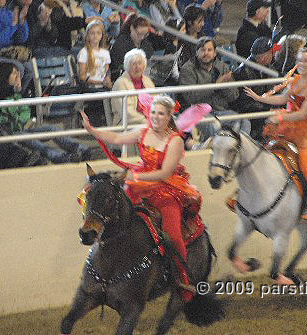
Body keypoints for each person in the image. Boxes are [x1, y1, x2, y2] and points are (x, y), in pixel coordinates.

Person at [80, 94, 200, 302]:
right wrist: (92, 130)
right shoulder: (143, 132)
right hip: (140, 182)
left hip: (166, 189)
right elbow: (117, 139)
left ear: (170, 115)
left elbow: (165, 173)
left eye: (161, 114)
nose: (155, 117)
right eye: (153, 112)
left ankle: (183, 277)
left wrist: (136, 176)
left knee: (172, 234)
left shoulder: (175, 141)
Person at [244, 48, 307, 226]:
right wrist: (259, 98)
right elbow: (284, 99)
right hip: (290, 125)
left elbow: (304, 114)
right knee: (265, 153)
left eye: (306, 61)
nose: (301, 64)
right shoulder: (296, 80)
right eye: (299, 60)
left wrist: (280, 117)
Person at [0, 61, 94, 163]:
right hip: (10, 133)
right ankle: (59, 157)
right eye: (14, 73)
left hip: (22, 129)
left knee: (52, 129)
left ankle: (82, 149)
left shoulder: (17, 92)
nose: (18, 76)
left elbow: (25, 114)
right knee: (30, 139)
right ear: (5, 76)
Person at [178, 36, 250, 140]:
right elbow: (189, 97)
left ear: (215, 53)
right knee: (213, 126)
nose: (206, 53)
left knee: (244, 122)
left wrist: (224, 86)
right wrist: (215, 86)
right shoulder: (188, 69)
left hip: (221, 111)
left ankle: (239, 151)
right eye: (202, 50)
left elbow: (234, 96)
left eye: (209, 50)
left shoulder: (222, 67)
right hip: (198, 113)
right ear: (197, 52)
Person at [0, 0, 34, 95]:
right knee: (18, 68)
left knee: (29, 68)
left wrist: (21, 22)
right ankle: (10, 97)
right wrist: (12, 25)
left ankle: (20, 96)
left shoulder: (9, 13)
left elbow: (21, 39)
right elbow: (0, 41)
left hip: (7, 54)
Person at [231, 36, 280, 138]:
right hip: (251, 113)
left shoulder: (269, 68)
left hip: (264, 107)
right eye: (271, 52)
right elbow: (245, 103)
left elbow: (274, 91)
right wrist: (268, 111)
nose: (274, 54)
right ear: (262, 57)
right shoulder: (244, 72)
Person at [110, 48, 155, 126]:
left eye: (140, 63)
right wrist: (147, 122)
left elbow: (156, 103)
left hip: (150, 121)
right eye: (133, 64)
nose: (137, 67)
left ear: (144, 65)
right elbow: (127, 113)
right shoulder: (121, 83)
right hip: (127, 124)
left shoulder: (148, 81)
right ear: (127, 66)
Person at [110, 14, 154, 81]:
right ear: (131, 28)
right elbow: (117, 67)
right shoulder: (120, 43)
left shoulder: (146, 44)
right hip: (122, 78)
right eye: (138, 34)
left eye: (145, 35)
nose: (141, 37)